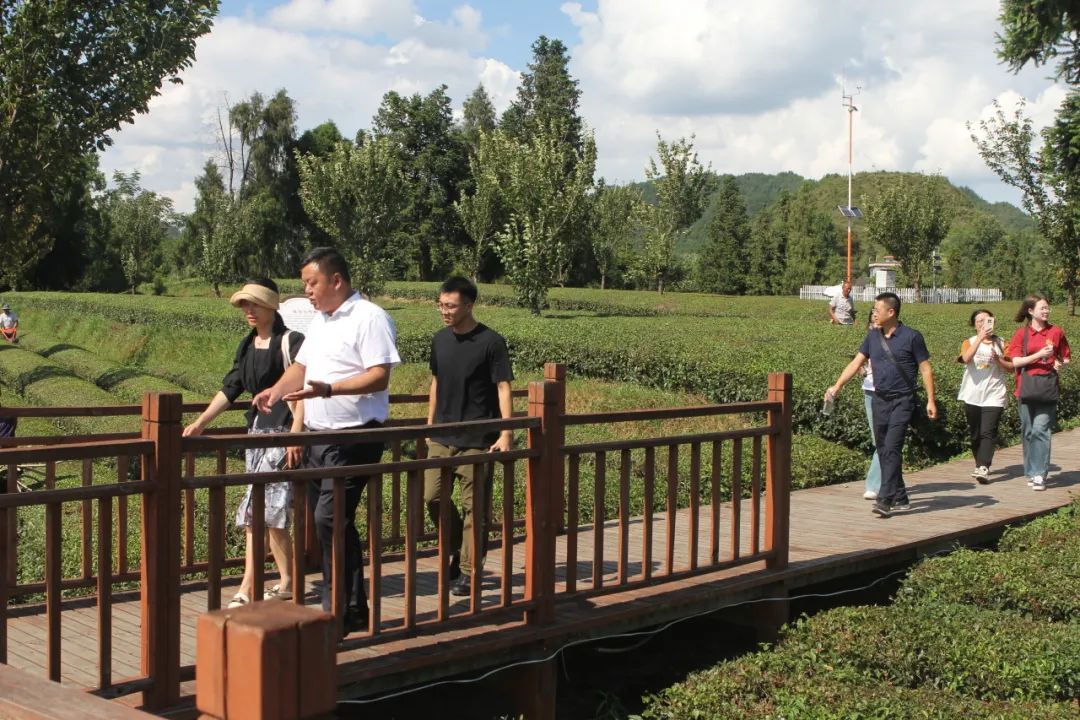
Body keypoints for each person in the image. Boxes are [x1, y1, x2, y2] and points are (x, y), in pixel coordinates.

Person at [253, 247, 401, 635]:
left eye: (312, 282)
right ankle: (351, 608)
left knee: (328, 519)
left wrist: (330, 389)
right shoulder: (321, 321)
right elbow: (302, 368)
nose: (307, 291)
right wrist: (275, 391)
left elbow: (379, 376)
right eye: (305, 283)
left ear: (336, 280)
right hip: (319, 436)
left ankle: (335, 610)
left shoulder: (370, 317)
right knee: (336, 523)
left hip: (354, 436)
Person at [183, 279, 305, 607]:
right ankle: (288, 581)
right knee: (269, 514)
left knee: (260, 510)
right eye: (244, 305)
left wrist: (297, 433)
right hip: (256, 434)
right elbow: (232, 387)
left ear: (271, 306)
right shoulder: (248, 345)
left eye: (255, 304)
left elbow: (302, 388)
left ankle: (247, 587)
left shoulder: (291, 341)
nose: (248, 310)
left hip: (282, 435)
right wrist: (201, 422)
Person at [424, 277, 514, 597]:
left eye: (450, 306)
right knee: (432, 497)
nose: (444, 311)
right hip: (441, 436)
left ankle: (468, 570)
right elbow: (436, 383)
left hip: (477, 438)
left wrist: (506, 431)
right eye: (441, 305)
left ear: (469, 305)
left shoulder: (491, 342)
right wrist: (429, 425)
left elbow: (503, 388)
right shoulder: (439, 340)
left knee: (474, 509)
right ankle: (455, 548)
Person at [825, 292, 937, 518]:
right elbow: (856, 363)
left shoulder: (912, 337)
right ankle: (901, 496)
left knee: (892, 447)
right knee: (884, 448)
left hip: (903, 400)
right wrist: (837, 386)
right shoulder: (872, 337)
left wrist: (931, 399)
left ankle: (885, 499)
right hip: (879, 399)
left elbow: (925, 368)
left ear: (891, 312)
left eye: (877, 310)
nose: (874, 314)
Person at [1006, 295, 1070, 492]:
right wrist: (1039, 355)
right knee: (1028, 430)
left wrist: (1060, 363)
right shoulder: (1021, 334)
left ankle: (1039, 474)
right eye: (1042, 308)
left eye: (1047, 308)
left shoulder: (1056, 331)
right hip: (1025, 388)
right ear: (1030, 311)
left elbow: (1065, 356)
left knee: (1041, 429)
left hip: (1047, 387)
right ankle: (1030, 471)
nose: (1046, 311)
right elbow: (1015, 361)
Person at [957, 309, 1012, 484]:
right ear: (974, 325)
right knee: (975, 433)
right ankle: (979, 463)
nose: (983, 323)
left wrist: (998, 360)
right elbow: (966, 359)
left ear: (993, 322)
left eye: (987, 320)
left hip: (994, 394)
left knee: (988, 431)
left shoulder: (1002, 343)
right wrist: (980, 338)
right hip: (972, 394)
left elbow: (1011, 368)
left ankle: (983, 466)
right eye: (979, 321)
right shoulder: (969, 342)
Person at [859, 309, 882, 500]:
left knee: (884, 441)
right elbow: (858, 364)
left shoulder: (898, 338)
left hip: (890, 392)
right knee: (879, 440)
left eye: (878, 315)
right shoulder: (869, 340)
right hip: (870, 390)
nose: (875, 320)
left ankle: (874, 485)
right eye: (873, 318)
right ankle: (887, 480)